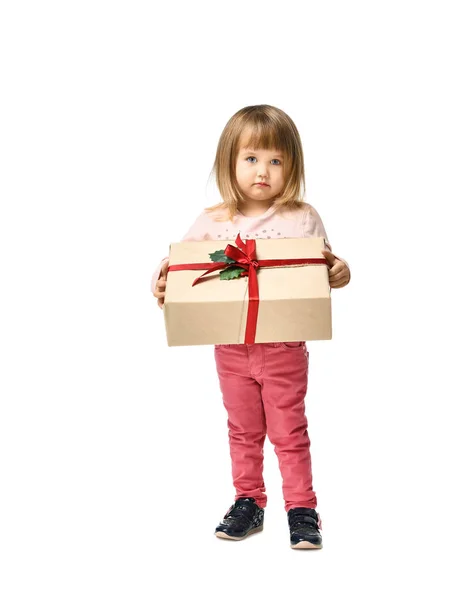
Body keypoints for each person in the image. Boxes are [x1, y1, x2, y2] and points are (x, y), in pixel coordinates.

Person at [151, 105, 350, 550]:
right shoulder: (212, 221)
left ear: (292, 166)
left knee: (289, 430)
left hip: (284, 347)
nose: (263, 171)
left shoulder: (302, 217)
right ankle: (248, 501)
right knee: (242, 429)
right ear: (230, 162)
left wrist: (340, 271)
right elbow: (178, 270)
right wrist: (162, 283)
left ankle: (302, 508)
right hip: (231, 349)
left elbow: (324, 268)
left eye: (276, 161)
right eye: (252, 158)